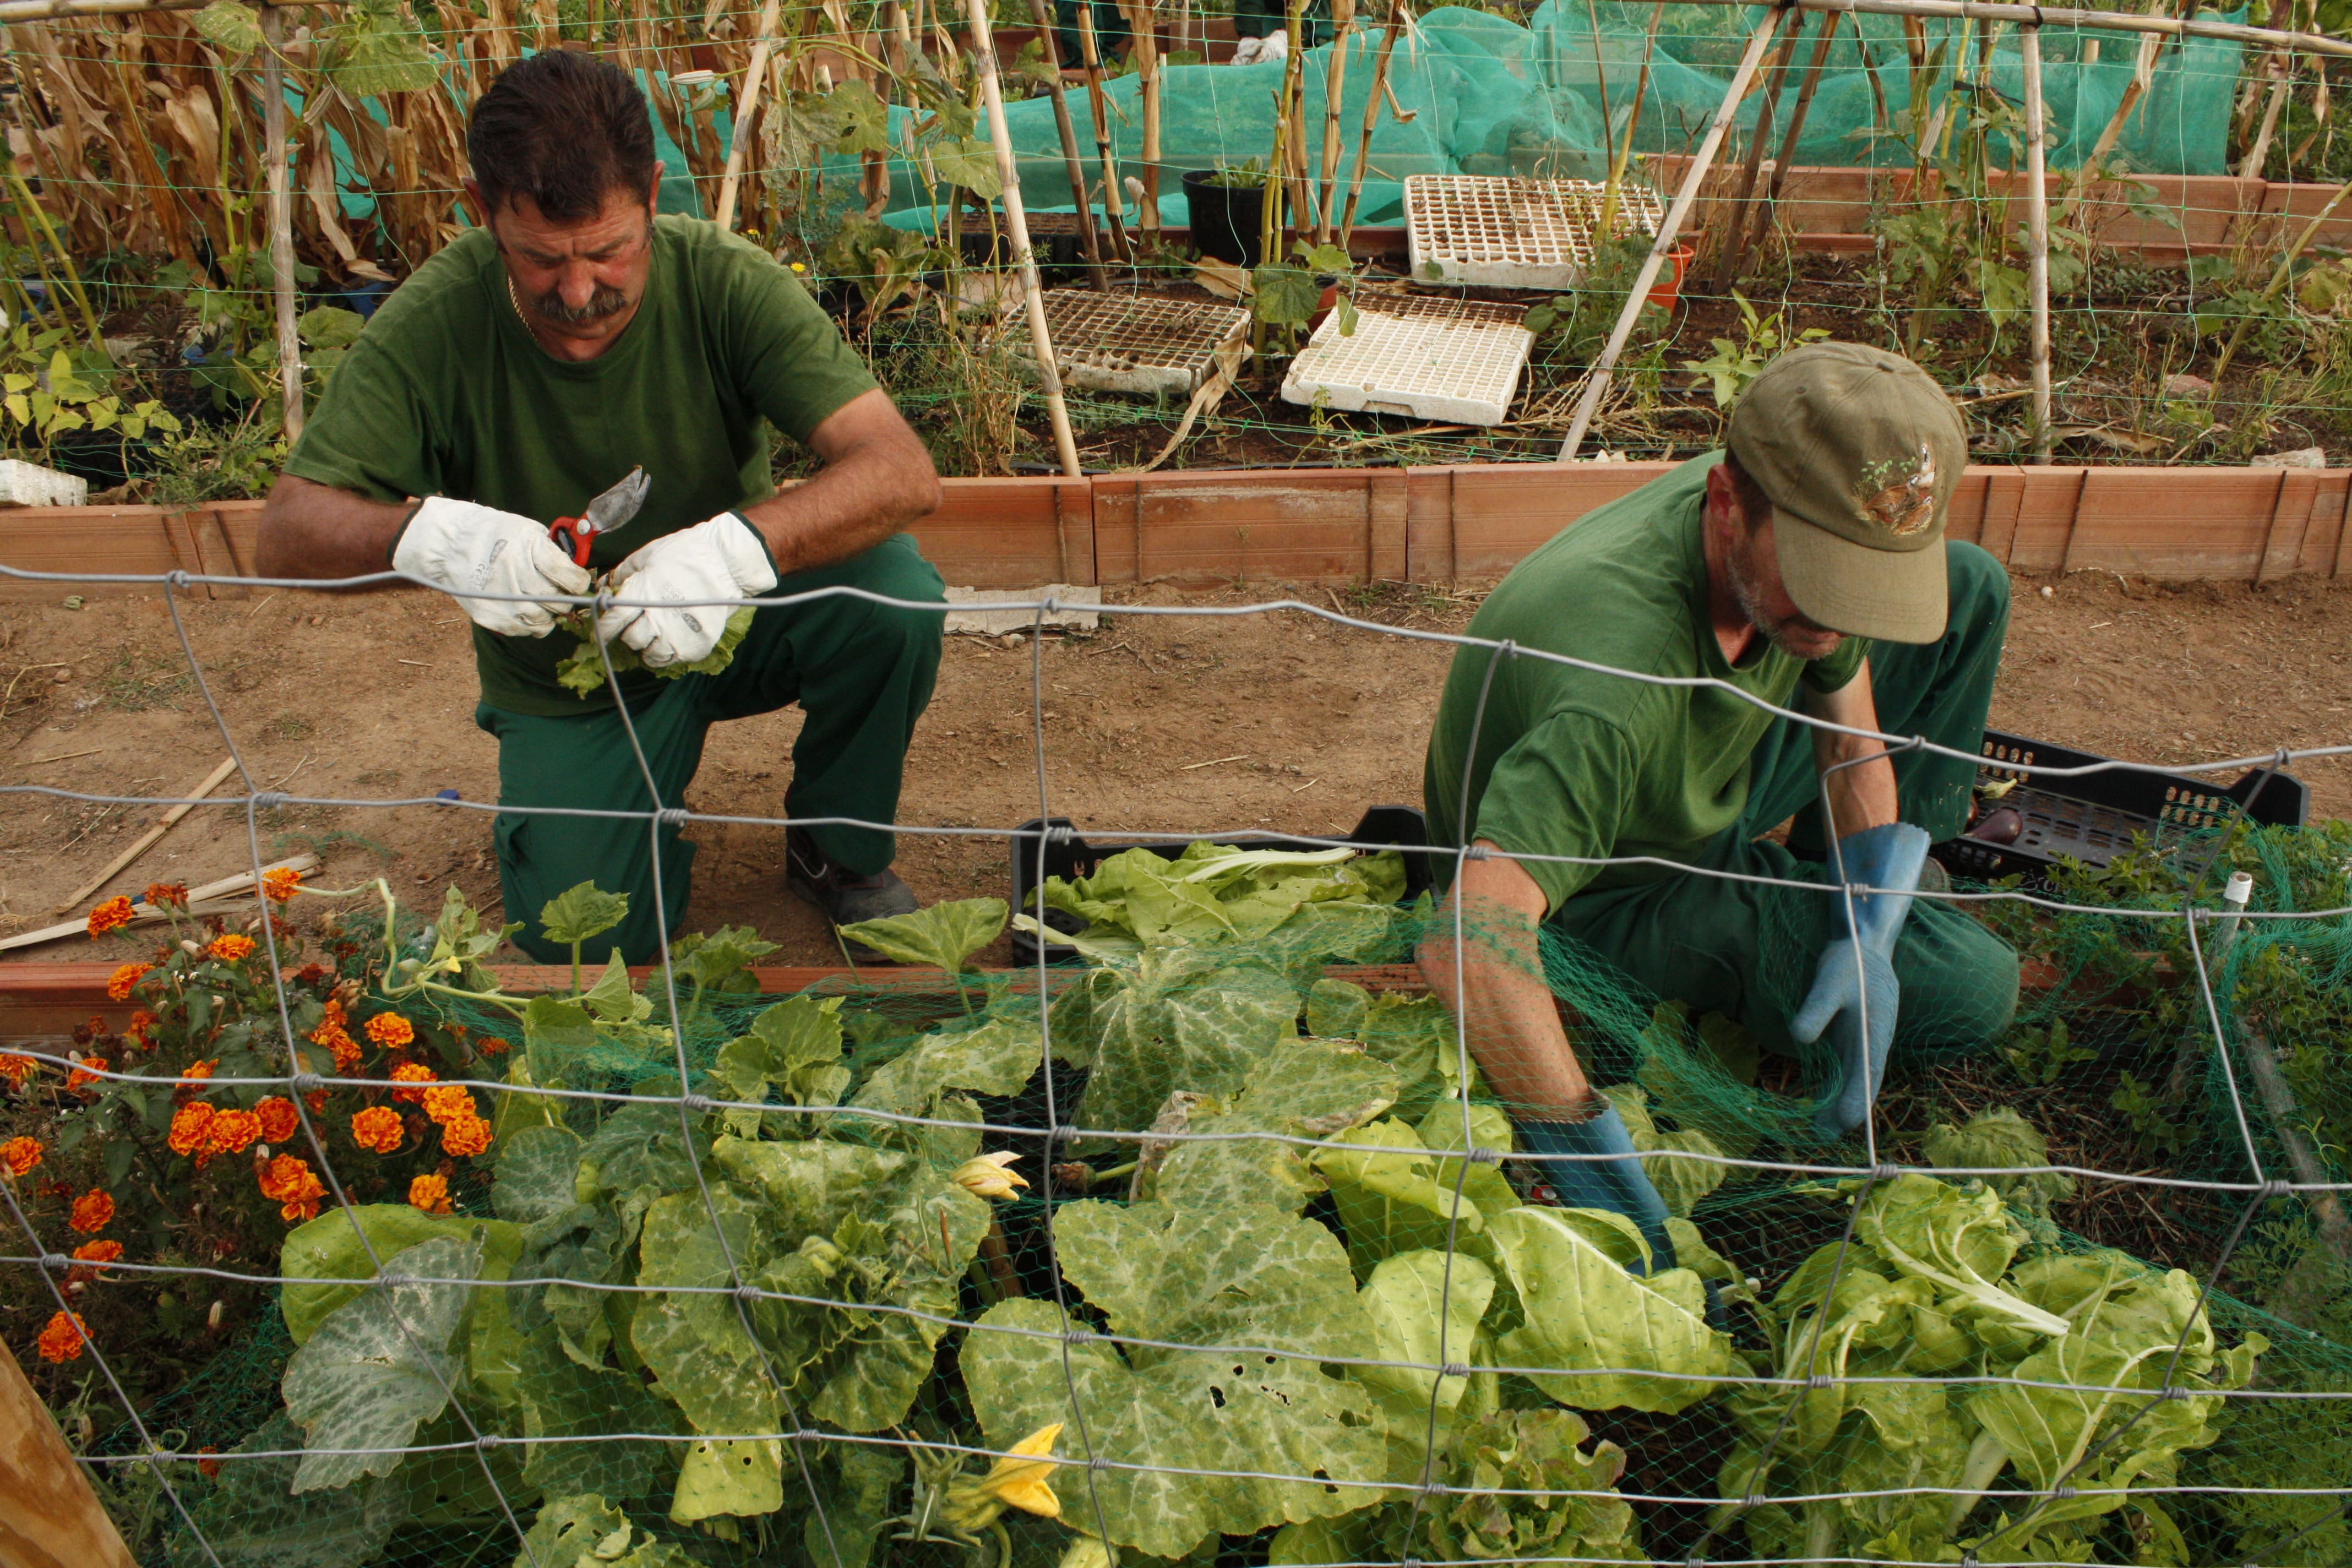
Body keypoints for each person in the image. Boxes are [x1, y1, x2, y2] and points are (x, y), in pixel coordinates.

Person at [259, 51, 949, 966]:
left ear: (654, 193)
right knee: (588, 947)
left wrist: (737, 551)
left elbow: (902, 471)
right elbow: (286, 530)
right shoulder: (438, 321)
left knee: (893, 594)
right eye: (541, 259)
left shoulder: (722, 280)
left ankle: (837, 850)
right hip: (569, 680)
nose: (579, 293)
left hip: (736, 622)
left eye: (608, 250)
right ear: (482, 211)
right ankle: (610, 818)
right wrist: (428, 537)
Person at [1417, 341, 2018, 1267]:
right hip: (1608, 887)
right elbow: (1470, 942)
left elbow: (1852, 740)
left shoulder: (1803, 508)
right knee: (1976, 988)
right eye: (1823, 578)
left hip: (1700, 767)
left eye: (1864, 579)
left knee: (1972, 587)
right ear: (1727, 504)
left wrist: (1874, 928)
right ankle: (1787, 920)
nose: (1840, 615)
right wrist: (1589, 1157)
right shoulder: (1616, 686)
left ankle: (1880, 887)